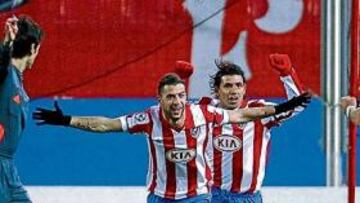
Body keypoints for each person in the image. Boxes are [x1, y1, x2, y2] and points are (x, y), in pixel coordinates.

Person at [33, 72, 309, 202]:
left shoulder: (203, 114)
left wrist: (283, 105)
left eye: (180, 96)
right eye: (170, 97)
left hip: (199, 197)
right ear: (159, 99)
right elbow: (106, 125)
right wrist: (67, 120)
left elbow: (243, 116)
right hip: (160, 198)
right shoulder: (149, 118)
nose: (176, 102)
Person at [195, 54, 309, 202]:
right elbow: (173, 112)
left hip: (247, 198)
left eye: (238, 85)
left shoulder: (259, 111)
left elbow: (298, 105)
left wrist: (287, 73)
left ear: (244, 89)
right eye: (228, 86)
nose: (234, 91)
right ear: (217, 90)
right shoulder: (204, 110)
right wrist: (180, 78)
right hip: (212, 195)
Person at [0, 15, 43, 203]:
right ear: (33, 48)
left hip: (8, 172)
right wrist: (5, 46)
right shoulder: (6, 74)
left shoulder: (18, 83)